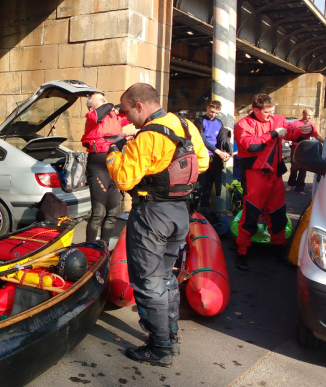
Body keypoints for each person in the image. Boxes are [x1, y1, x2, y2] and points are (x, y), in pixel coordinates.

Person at [106, 83, 209, 367]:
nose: (126, 119)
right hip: (180, 213)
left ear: (140, 105)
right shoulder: (185, 124)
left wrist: (115, 154)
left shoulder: (148, 136)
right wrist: (162, 169)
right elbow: (202, 161)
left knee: (149, 282)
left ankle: (160, 347)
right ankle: (170, 335)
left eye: (127, 112)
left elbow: (125, 179)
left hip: (152, 216)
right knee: (165, 278)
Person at [233, 94, 312, 271]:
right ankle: (241, 253)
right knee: (250, 216)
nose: (270, 114)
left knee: (278, 215)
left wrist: (307, 129)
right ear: (256, 110)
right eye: (267, 112)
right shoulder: (244, 124)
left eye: (272, 111)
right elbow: (250, 146)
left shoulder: (278, 119)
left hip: (274, 176)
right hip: (255, 176)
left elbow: (294, 131)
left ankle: (279, 251)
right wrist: (273, 133)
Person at [81, 92, 128, 244]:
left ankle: (104, 247)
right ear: (90, 106)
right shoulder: (91, 117)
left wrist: (122, 106)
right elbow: (98, 115)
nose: (106, 101)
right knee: (98, 213)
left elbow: (129, 115)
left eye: (105, 99)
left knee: (114, 212)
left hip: (114, 166)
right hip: (98, 166)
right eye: (100, 100)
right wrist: (110, 106)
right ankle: (90, 247)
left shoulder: (113, 116)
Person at [193, 100, 232, 210]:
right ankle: (193, 210)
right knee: (199, 186)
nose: (213, 115)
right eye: (211, 111)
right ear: (207, 108)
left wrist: (226, 153)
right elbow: (202, 140)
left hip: (214, 158)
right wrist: (218, 152)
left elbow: (223, 140)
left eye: (216, 113)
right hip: (202, 156)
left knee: (209, 186)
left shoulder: (219, 123)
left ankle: (205, 210)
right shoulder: (200, 121)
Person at [285, 108, 323, 194]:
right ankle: (291, 184)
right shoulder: (295, 123)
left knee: (303, 168)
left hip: (305, 147)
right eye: (308, 115)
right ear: (303, 114)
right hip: (295, 146)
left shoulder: (311, 125)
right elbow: (288, 134)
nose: (310, 117)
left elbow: (316, 135)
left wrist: (325, 141)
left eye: (311, 116)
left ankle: (299, 188)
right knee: (294, 167)